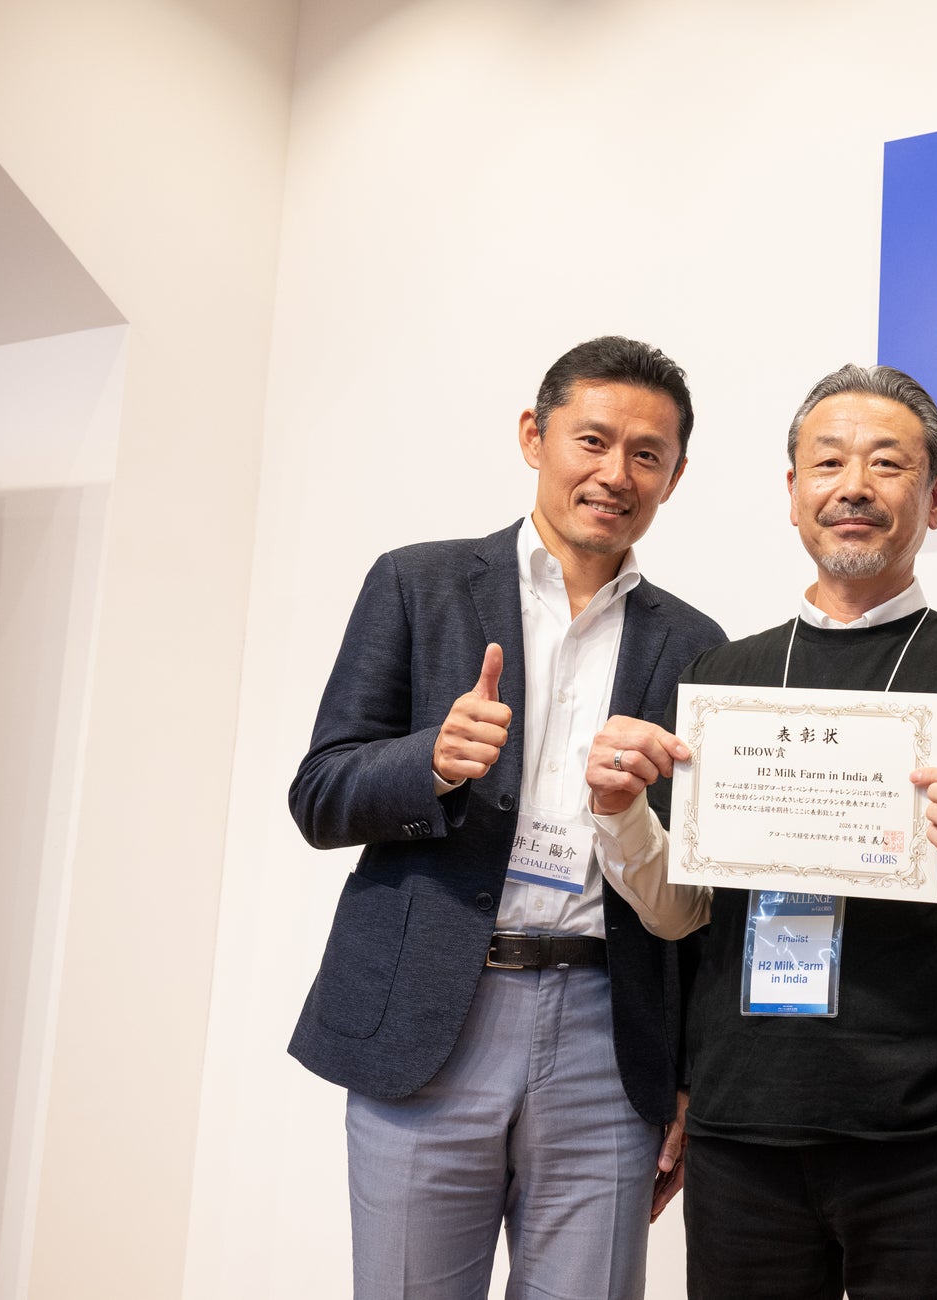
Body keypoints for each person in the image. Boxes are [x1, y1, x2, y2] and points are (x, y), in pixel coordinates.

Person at [585, 363, 937, 1299]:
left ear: (935, 499)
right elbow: (677, 913)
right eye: (828, 463)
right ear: (793, 494)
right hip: (745, 1132)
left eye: (888, 463)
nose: (854, 486)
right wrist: (618, 817)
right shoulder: (723, 679)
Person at [287, 336, 725, 1300]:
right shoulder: (418, 584)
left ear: (675, 477)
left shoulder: (697, 645)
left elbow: (701, 890)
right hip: (432, 1019)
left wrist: (689, 1076)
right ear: (535, 436)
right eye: (592, 440)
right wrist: (429, 762)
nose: (616, 474)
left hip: (611, 1036)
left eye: (647, 455)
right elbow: (319, 793)